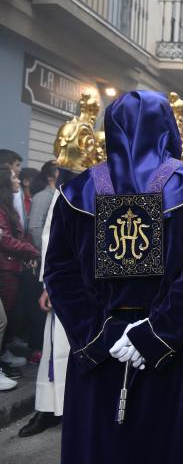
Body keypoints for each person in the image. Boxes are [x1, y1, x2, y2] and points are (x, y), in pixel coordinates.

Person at [45, 91, 183, 463]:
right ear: (167, 129)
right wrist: (157, 333)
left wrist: (98, 334)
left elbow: (60, 274)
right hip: (172, 346)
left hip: (104, 344)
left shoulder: (77, 191)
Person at [20, 165, 73, 437]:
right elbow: (52, 231)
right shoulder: (71, 180)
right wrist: (49, 282)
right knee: (57, 347)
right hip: (69, 276)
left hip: (106, 279)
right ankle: (49, 408)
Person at [0, 166, 40, 371]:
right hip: (6, 267)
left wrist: (28, 252)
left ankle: (4, 353)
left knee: (8, 316)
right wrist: (32, 252)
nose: (18, 179)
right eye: (14, 177)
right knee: (3, 317)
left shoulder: (8, 206)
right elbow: (6, 239)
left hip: (12, 265)